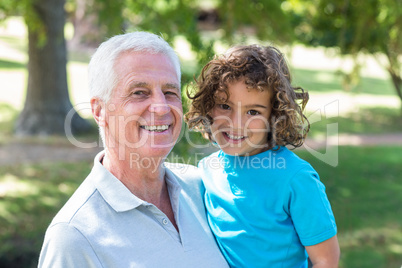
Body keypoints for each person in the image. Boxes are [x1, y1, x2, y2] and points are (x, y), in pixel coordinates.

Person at [38, 32, 228, 268]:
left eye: (170, 92)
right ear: (100, 111)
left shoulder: (204, 188)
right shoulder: (73, 237)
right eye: (139, 92)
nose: (161, 107)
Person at [185, 44, 340, 267]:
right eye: (224, 106)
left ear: (274, 116)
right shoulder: (206, 170)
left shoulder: (296, 179)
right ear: (208, 107)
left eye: (253, 112)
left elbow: (326, 260)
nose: (235, 123)